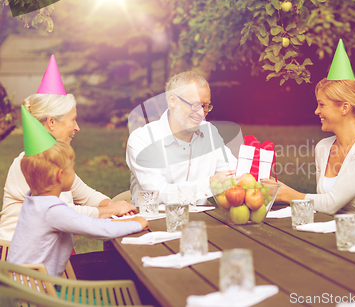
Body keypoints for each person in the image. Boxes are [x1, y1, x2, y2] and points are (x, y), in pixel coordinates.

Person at [0, 56, 136, 242]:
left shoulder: (55, 159)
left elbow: (86, 194)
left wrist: (115, 206)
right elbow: (65, 213)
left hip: (51, 253)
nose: (77, 127)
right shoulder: (30, 164)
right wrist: (112, 211)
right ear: (52, 122)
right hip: (24, 263)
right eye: (73, 119)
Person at [7, 134, 148, 277]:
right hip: (42, 293)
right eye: (72, 168)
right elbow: (96, 228)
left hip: (23, 286)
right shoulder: (52, 210)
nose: (74, 174)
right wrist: (136, 224)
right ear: (60, 175)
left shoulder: (33, 201)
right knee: (126, 269)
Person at [272, 78, 355, 216]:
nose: (316, 111)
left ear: (345, 108)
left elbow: (331, 204)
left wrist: (285, 194)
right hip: (328, 228)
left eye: (321, 105)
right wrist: (278, 188)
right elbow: (322, 201)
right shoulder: (323, 147)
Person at [126, 71, 237, 205]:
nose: (202, 113)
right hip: (153, 223)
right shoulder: (142, 139)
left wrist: (262, 178)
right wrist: (210, 184)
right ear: (173, 100)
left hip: (199, 222)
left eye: (205, 106)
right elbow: (159, 193)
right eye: (195, 105)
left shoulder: (209, 132)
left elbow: (234, 171)